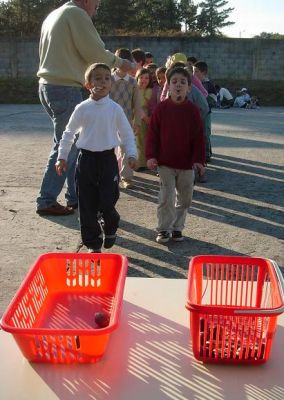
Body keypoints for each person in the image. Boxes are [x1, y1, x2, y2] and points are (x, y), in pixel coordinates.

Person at [36, 0, 134, 216]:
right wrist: (122, 64)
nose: (96, 10)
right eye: (97, 5)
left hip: (48, 86)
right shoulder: (77, 14)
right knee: (68, 146)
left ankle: (75, 196)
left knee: (73, 145)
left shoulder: (54, 15)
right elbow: (94, 52)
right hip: (65, 87)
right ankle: (46, 199)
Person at [55, 63, 137, 253]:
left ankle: (111, 224)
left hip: (108, 160)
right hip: (86, 161)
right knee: (86, 203)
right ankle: (92, 243)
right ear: (88, 84)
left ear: (111, 84)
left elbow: (126, 134)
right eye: (98, 78)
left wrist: (132, 154)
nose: (103, 81)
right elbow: (68, 133)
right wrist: (62, 157)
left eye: (107, 78)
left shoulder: (115, 109)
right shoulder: (82, 108)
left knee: (107, 200)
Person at [145, 67, 205, 244]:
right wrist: (151, 156)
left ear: (189, 88)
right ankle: (164, 229)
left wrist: (199, 161)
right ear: (168, 86)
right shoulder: (161, 109)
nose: (178, 85)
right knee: (166, 197)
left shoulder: (193, 111)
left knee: (185, 199)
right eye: (174, 81)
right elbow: (152, 135)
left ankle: (177, 227)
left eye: (183, 82)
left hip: (187, 164)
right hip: (165, 163)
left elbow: (198, 138)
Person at [110, 48, 142, 189]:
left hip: (126, 120)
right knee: (108, 148)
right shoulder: (108, 79)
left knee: (125, 148)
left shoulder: (133, 82)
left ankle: (127, 177)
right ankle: (110, 176)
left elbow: (137, 103)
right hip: (108, 120)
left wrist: (137, 122)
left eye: (126, 62)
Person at [193, 61, 217, 162]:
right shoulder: (192, 83)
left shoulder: (209, 84)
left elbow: (213, 100)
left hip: (206, 114)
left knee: (205, 133)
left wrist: (203, 101)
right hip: (195, 113)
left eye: (196, 71)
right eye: (193, 71)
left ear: (204, 73)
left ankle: (206, 153)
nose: (194, 74)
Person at [135, 68, 153, 171]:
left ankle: (142, 163)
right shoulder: (135, 89)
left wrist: (140, 90)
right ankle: (138, 161)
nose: (144, 80)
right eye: (141, 77)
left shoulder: (148, 91)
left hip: (144, 117)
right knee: (136, 140)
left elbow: (144, 103)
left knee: (142, 139)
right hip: (135, 117)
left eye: (146, 78)